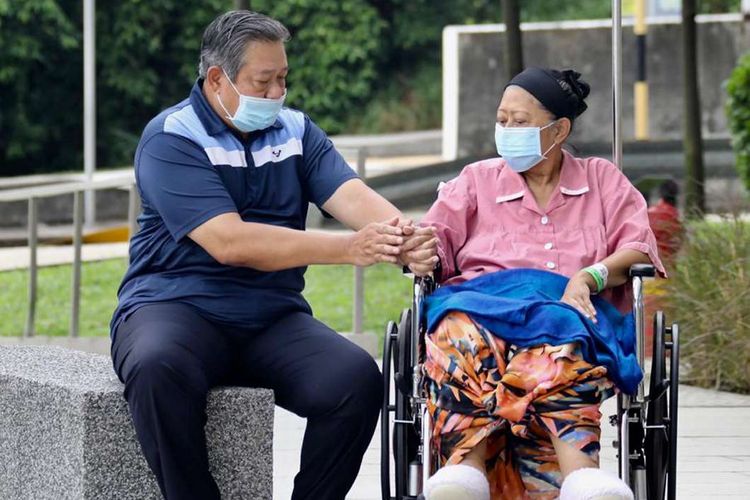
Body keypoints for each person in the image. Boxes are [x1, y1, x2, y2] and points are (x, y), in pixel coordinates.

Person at [109, 11, 436, 500]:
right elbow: (231, 243)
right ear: (217, 79)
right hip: (173, 306)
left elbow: (350, 195)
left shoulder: (297, 131)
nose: (276, 93)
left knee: (355, 380)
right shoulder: (170, 138)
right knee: (157, 367)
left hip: (270, 317)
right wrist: (349, 248)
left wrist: (402, 237)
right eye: (263, 82)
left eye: (282, 79)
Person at [401, 67, 665, 500]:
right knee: (456, 331)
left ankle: (581, 478)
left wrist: (590, 274)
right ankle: (464, 474)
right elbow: (435, 241)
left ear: (559, 130)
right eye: (501, 119)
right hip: (483, 308)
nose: (506, 130)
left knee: (563, 338)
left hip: (569, 312)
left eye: (519, 122)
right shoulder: (475, 181)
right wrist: (417, 250)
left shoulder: (602, 180)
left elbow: (639, 248)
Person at [647, 179, 683, 261]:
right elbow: (677, 244)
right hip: (667, 263)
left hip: (647, 260)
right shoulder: (674, 217)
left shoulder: (648, 213)